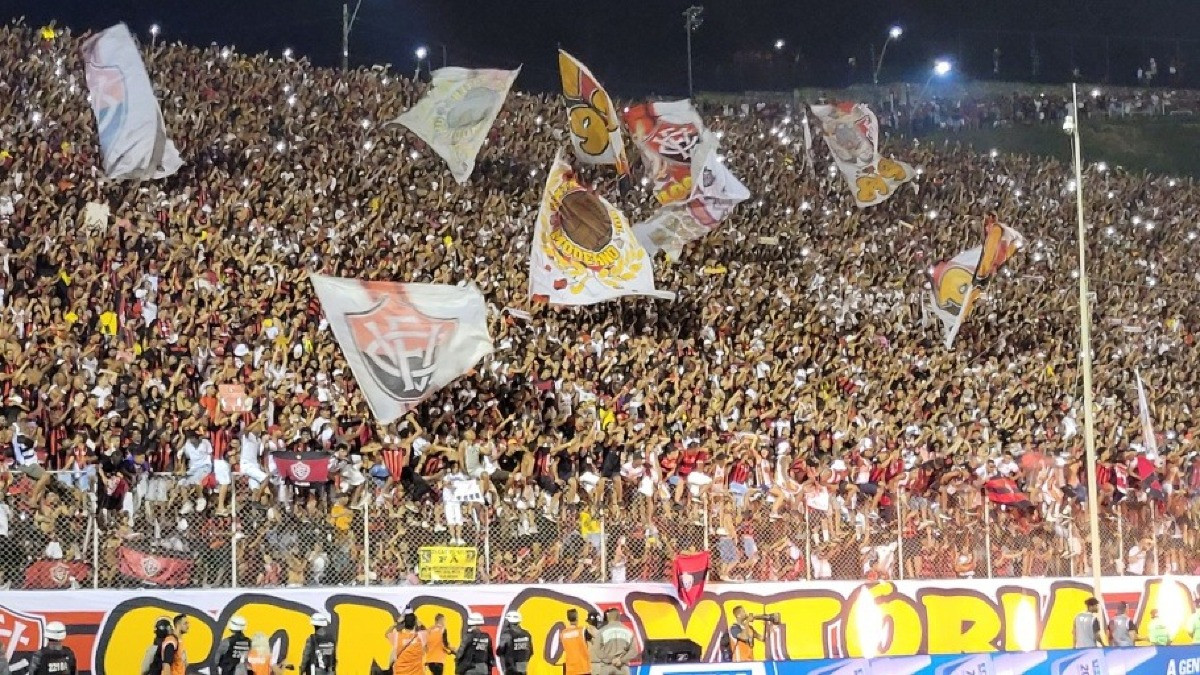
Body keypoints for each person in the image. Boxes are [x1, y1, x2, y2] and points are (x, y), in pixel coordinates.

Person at [590, 609, 636, 675]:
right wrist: (621, 660)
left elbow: (597, 650)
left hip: (606, 667)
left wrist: (610, 659)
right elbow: (633, 651)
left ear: (609, 617)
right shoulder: (629, 631)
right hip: (622, 668)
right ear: (619, 617)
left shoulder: (602, 631)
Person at [559, 610, 592, 675]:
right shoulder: (582, 630)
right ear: (577, 617)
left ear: (568, 618)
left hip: (570, 669)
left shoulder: (563, 633)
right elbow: (593, 641)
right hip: (583, 668)